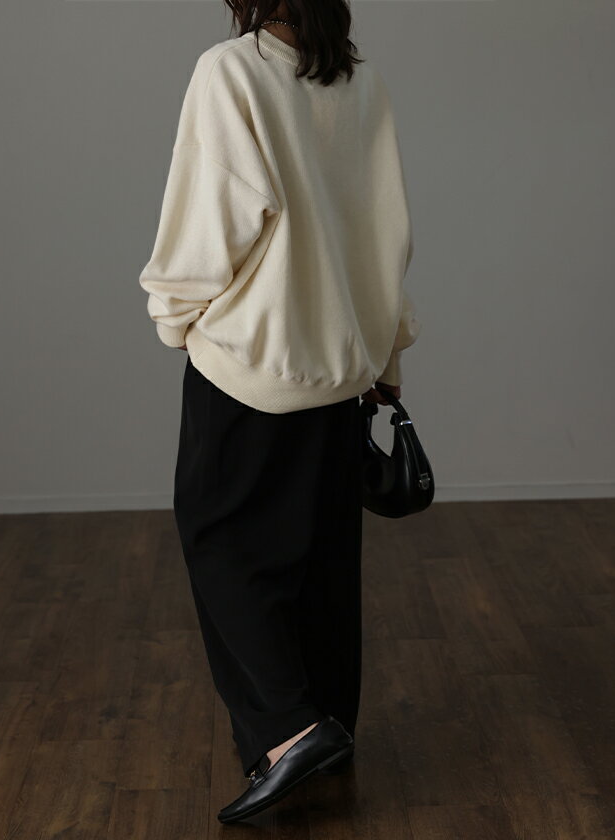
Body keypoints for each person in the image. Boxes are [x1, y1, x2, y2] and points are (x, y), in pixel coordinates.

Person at [138, 0, 421, 823]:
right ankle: (330, 729)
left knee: (224, 542)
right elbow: (383, 230)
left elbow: (210, 218)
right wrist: (384, 353)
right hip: (341, 370)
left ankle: (291, 732)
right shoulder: (359, 80)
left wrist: (174, 316)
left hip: (254, 364)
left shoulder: (231, 72)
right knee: (323, 558)